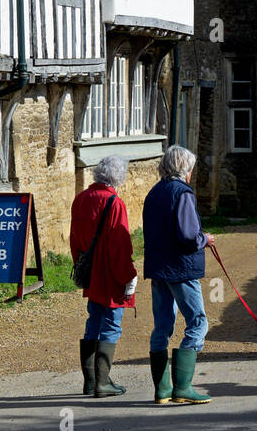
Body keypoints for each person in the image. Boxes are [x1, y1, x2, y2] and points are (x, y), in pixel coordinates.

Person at [142, 144, 215, 405]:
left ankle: (162, 391)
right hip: (180, 268)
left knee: (162, 326)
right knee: (198, 322)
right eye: (191, 169)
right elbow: (187, 236)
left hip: (158, 267)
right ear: (185, 169)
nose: (192, 174)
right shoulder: (182, 193)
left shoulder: (154, 192)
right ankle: (182, 387)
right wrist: (204, 238)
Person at [70, 155, 138, 398]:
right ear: (118, 178)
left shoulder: (80, 199)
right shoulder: (114, 203)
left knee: (94, 321)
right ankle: (102, 382)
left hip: (90, 271)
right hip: (109, 273)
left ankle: (90, 381)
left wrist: (80, 263)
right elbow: (120, 245)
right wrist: (129, 276)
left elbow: (75, 239)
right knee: (111, 323)